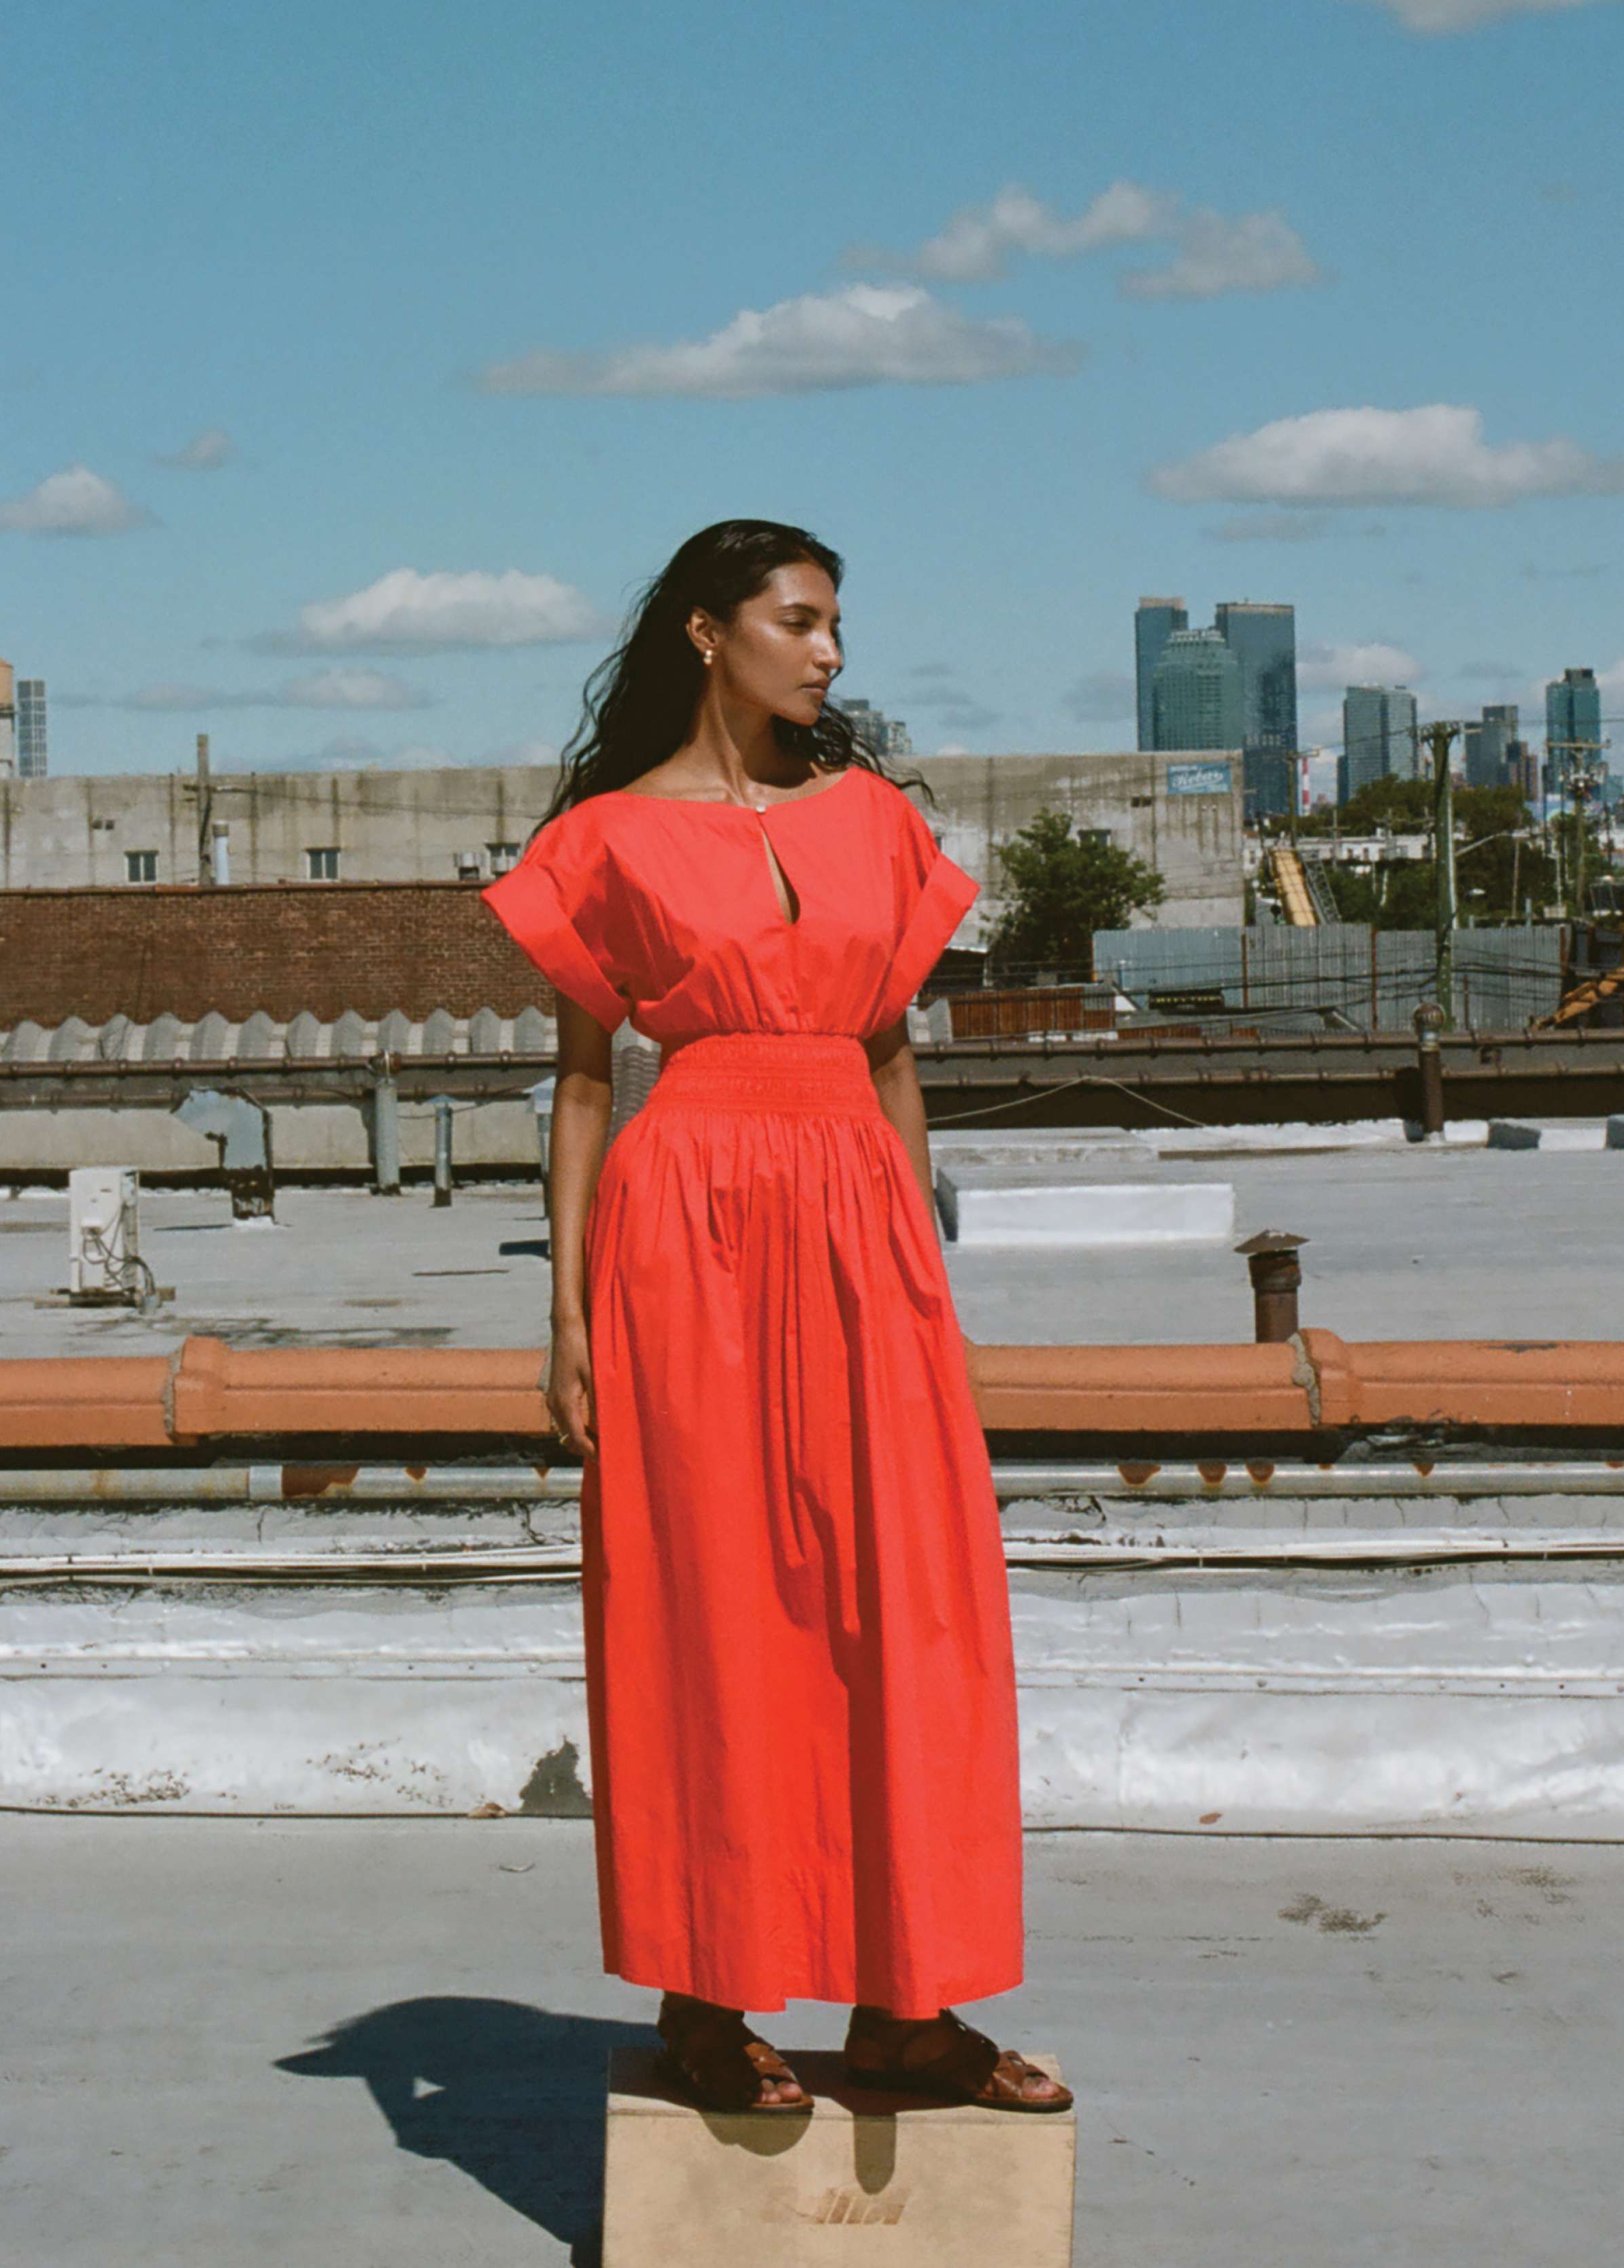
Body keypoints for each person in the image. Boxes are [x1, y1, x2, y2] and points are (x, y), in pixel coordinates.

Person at [481, 519, 1069, 2117]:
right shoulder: (603, 836)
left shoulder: (874, 819)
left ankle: (906, 2002)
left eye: (834, 629)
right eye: (796, 622)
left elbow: (890, 1059)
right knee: (709, 1600)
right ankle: (703, 1992)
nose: (825, 653)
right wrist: (566, 1315)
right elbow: (584, 1083)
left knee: (904, 1597)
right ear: (704, 631)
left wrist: (923, 1276)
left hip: (856, 1223)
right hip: (683, 1227)